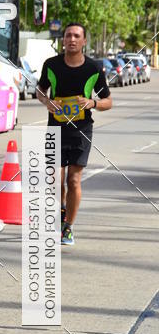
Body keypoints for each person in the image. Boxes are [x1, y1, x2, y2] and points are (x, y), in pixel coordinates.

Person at [36, 23, 112, 246]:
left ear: (84, 41)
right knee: (54, 180)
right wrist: (47, 102)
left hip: (81, 131)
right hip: (55, 128)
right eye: (68, 35)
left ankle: (68, 227)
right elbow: (41, 90)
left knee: (74, 180)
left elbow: (108, 101)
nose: (72, 39)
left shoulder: (93, 68)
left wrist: (92, 103)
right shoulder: (51, 65)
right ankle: (60, 211)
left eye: (77, 36)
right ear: (63, 40)